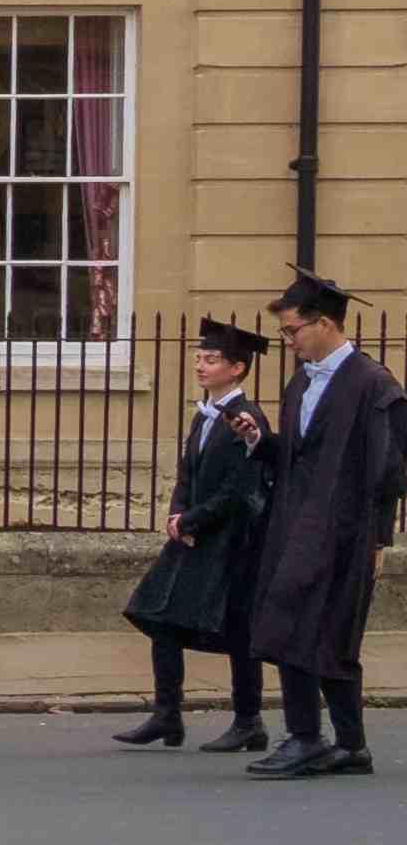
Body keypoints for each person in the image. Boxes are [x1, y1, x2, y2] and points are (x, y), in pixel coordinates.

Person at [236, 271, 401, 780]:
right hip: (295, 524)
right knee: (310, 628)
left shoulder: (373, 384)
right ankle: (350, 745)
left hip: (344, 531)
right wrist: (260, 441)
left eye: (292, 331)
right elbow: (299, 454)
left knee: (315, 629)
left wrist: (376, 538)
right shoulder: (302, 380)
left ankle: (308, 738)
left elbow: (391, 468)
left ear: (324, 323)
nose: (288, 342)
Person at [114, 316, 277, 755]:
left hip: (231, 542)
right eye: (199, 358)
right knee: (157, 614)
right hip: (193, 535)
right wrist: (176, 516)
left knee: (239, 631)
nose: (201, 366)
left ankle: (249, 721)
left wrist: (192, 521)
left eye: (212, 359)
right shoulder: (203, 415)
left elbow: (241, 491)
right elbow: (187, 476)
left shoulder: (247, 418)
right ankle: (168, 714)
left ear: (238, 368)